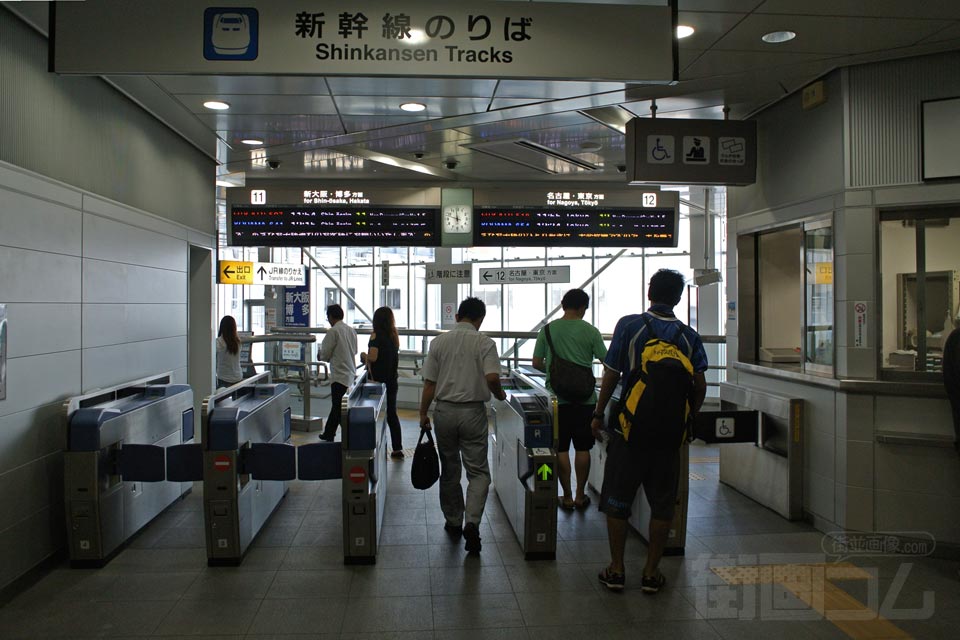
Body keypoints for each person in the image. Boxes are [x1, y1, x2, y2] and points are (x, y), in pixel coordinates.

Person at [591, 269, 708, 593]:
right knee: (662, 504)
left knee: (617, 501)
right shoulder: (688, 336)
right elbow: (700, 385)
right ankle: (651, 573)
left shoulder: (629, 325)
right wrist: (688, 418)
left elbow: (611, 376)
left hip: (630, 433)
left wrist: (599, 414)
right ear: (678, 298)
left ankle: (616, 569)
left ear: (649, 293)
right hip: (669, 438)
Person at [419, 297, 506, 555]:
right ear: (480, 319)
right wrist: (499, 394)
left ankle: (454, 521)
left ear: (457, 316)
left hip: (444, 411)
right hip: (472, 413)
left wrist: (423, 413)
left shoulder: (438, 342)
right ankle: (473, 522)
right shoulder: (485, 342)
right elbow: (492, 377)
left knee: (450, 468)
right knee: (478, 472)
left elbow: (429, 384)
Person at [532, 289, 607, 510]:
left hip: (557, 400)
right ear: (583, 307)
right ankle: (580, 494)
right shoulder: (591, 331)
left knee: (561, 448)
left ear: (564, 305)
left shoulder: (547, 330)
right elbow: (606, 360)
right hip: (585, 399)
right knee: (583, 447)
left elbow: (536, 362)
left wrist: (552, 368)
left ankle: (565, 496)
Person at [361, 306, 405, 459]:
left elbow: (373, 357)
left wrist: (363, 355)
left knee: (373, 414)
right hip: (392, 380)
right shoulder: (394, 335)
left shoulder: (375, 336)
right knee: (392, 413)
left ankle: (371, 445)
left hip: (377, 382)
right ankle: (397, 448)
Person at [318, 304, 358, 442]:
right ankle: (329, 433)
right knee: (338, 406)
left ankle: (350, 435)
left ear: (330, 317)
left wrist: (320, 355)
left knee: (338, 408)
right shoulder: (351, 331)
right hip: (350, 374)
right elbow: (355, 351)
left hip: (339, 375)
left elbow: (325, 353)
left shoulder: (333, 331)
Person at [216, 315, 243, 388]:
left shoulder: (219, 342)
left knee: (223, 399)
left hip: (224, 378)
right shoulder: (238, 342)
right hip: (238, 377)